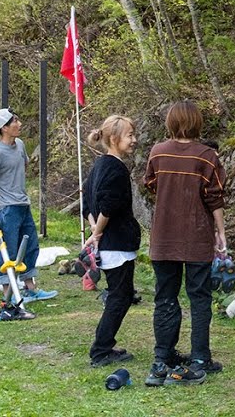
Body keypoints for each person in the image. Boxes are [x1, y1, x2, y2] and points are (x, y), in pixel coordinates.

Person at [143, 100, 227, 386]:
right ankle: (200, 358)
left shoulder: (157, 152)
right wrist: (221, 232)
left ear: (170, 122)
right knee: (199, 298)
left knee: (165, 297)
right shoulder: (206, 156)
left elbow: (151, 185)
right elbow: (214, 197)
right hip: (196, 236)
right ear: (197, 122)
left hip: (163, 236)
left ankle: (162, 357)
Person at [0, 108, 57, 305]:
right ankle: (8, 294)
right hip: (6, 208)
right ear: (4, 127)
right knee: (8, 250)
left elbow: (24, 165)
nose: (19, 124)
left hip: (22, 203)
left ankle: (30, 289)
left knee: (30, 246)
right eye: (15, 121)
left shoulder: (19, 145)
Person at [82, 114, 141, 368]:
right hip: (116, 243)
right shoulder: (114, 168)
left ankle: (104, 345)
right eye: (130, 135)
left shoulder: (99, 165)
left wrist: (95, 228)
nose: (134, 140)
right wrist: (97, 233)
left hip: (110, 241)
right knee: (120, 296)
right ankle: (101, 349)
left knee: (121, 295)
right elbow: (107, 205)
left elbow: (87, 202)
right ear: (114, 139)